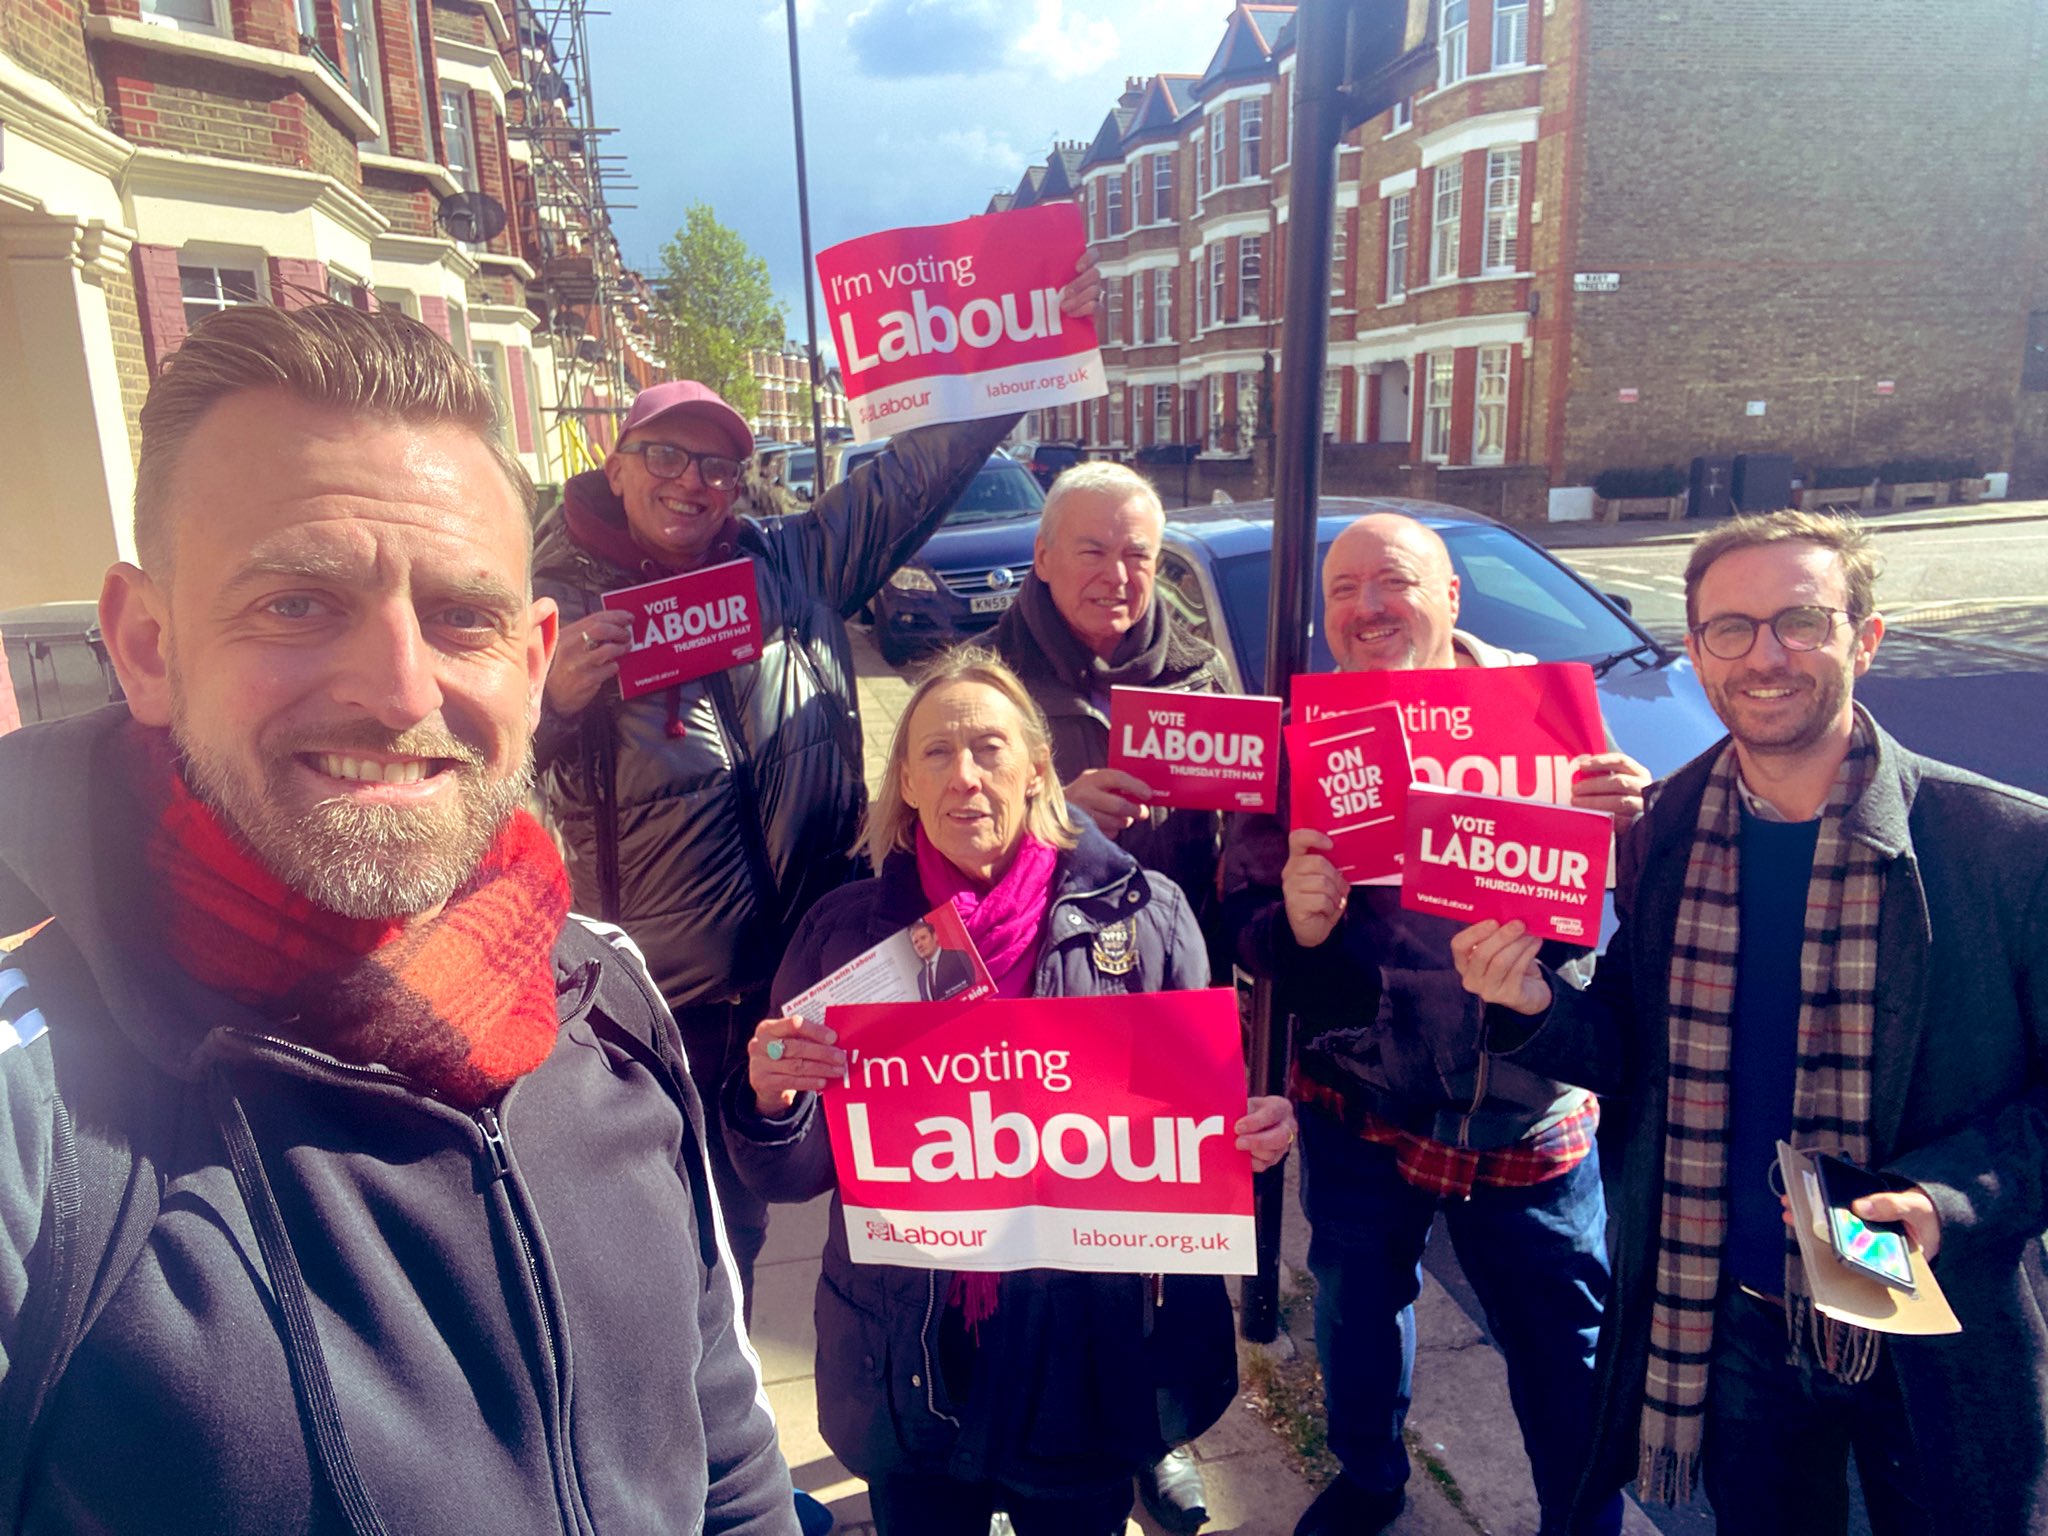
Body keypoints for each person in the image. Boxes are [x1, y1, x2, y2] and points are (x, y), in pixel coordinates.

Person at [0, 303, 796, 1531]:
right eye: (297, 603)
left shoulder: (604, 997)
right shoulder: (31, 1115)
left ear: (531, 664)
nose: (398, 688)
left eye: (463, 616)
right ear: (147, 644)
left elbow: (727, 1459)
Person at [1451, 511, 2048, 1536]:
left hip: (1916, 1313)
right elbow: (1638, 1056)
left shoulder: (2000, 846)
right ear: (1694, 653)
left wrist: (1944, 1199)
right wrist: (1532, 1005)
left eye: (1799, 622)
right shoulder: (1666, 832)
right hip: (1726, 1314)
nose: (1763, 656)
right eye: (1728, 629)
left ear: (1864, 637)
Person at [532, 260, 1099, 1304]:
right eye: (666, 455)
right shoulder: (545, 602)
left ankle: (917, 1373)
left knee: (882, 1179)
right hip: (677, 998)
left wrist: (1019, 364)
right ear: (615, 464)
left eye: (717, 467)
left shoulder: (792, 565)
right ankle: (707, 1452)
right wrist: (552, 699)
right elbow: (490, 780)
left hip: (828, 959)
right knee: (704, 1238)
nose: (693, 482)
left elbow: (911, 477)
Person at [724, 648, 1296, 1536]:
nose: (966, 777)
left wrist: (1248, 1134)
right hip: (911, 1355)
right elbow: (794, 1175)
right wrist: (773, 1101)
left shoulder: (1147, 918)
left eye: (989, 748)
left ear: (1037, 767)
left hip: (1086, 1356)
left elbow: (1194, 1135)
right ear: (906, 782)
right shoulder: (845, 939)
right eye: (938, 754)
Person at [1225, 513, 1647, 1536]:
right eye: (1342, 589)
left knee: (1562, 1351)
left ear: (1451, 595)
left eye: (1393, 581)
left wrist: (1636, 831)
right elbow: (1241, 923)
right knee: (1355, 1315)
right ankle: (1371, 1478)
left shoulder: (1553, 722)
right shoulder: (1300, 739)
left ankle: (1577, 1521)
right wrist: (1291, 920)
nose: (1366, 607)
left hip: (1521, 1116)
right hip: (1358, 1102)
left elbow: (1640, 935)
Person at [908, 918, 975, 1002]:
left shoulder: (958, 957)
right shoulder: (920, 977)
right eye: (915, 942)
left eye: (923, 938)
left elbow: (972, 991)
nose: (919, 945)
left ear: (935, 936)